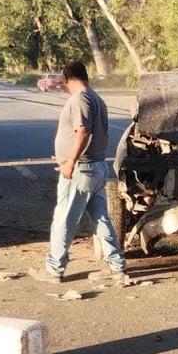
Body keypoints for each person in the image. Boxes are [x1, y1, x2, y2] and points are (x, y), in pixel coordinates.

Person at [31, 61, 129, 284]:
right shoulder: (96, 98)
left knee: (63, 220)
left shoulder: (80, 99)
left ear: (66, 78)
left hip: (81, 168)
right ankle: (117, 266)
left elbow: (83, 132)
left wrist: (70, 161)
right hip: (96, 167)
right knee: (101, 220)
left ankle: (54, 269)